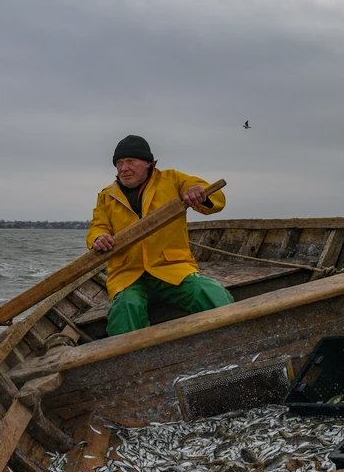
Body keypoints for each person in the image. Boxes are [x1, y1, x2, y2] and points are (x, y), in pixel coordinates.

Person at [86, 135, 234, 336]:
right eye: (119, 163)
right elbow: (98, 226)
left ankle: (234, 339)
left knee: (208, 291)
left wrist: (200, 193)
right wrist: (98, 238)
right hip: (129, 275)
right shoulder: (106, 196)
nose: (124, 168)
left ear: (150, 163)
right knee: (126, 306)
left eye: (131, 161)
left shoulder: (172, 180)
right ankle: (128, 361)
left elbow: (215, 198)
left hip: (171, 268)